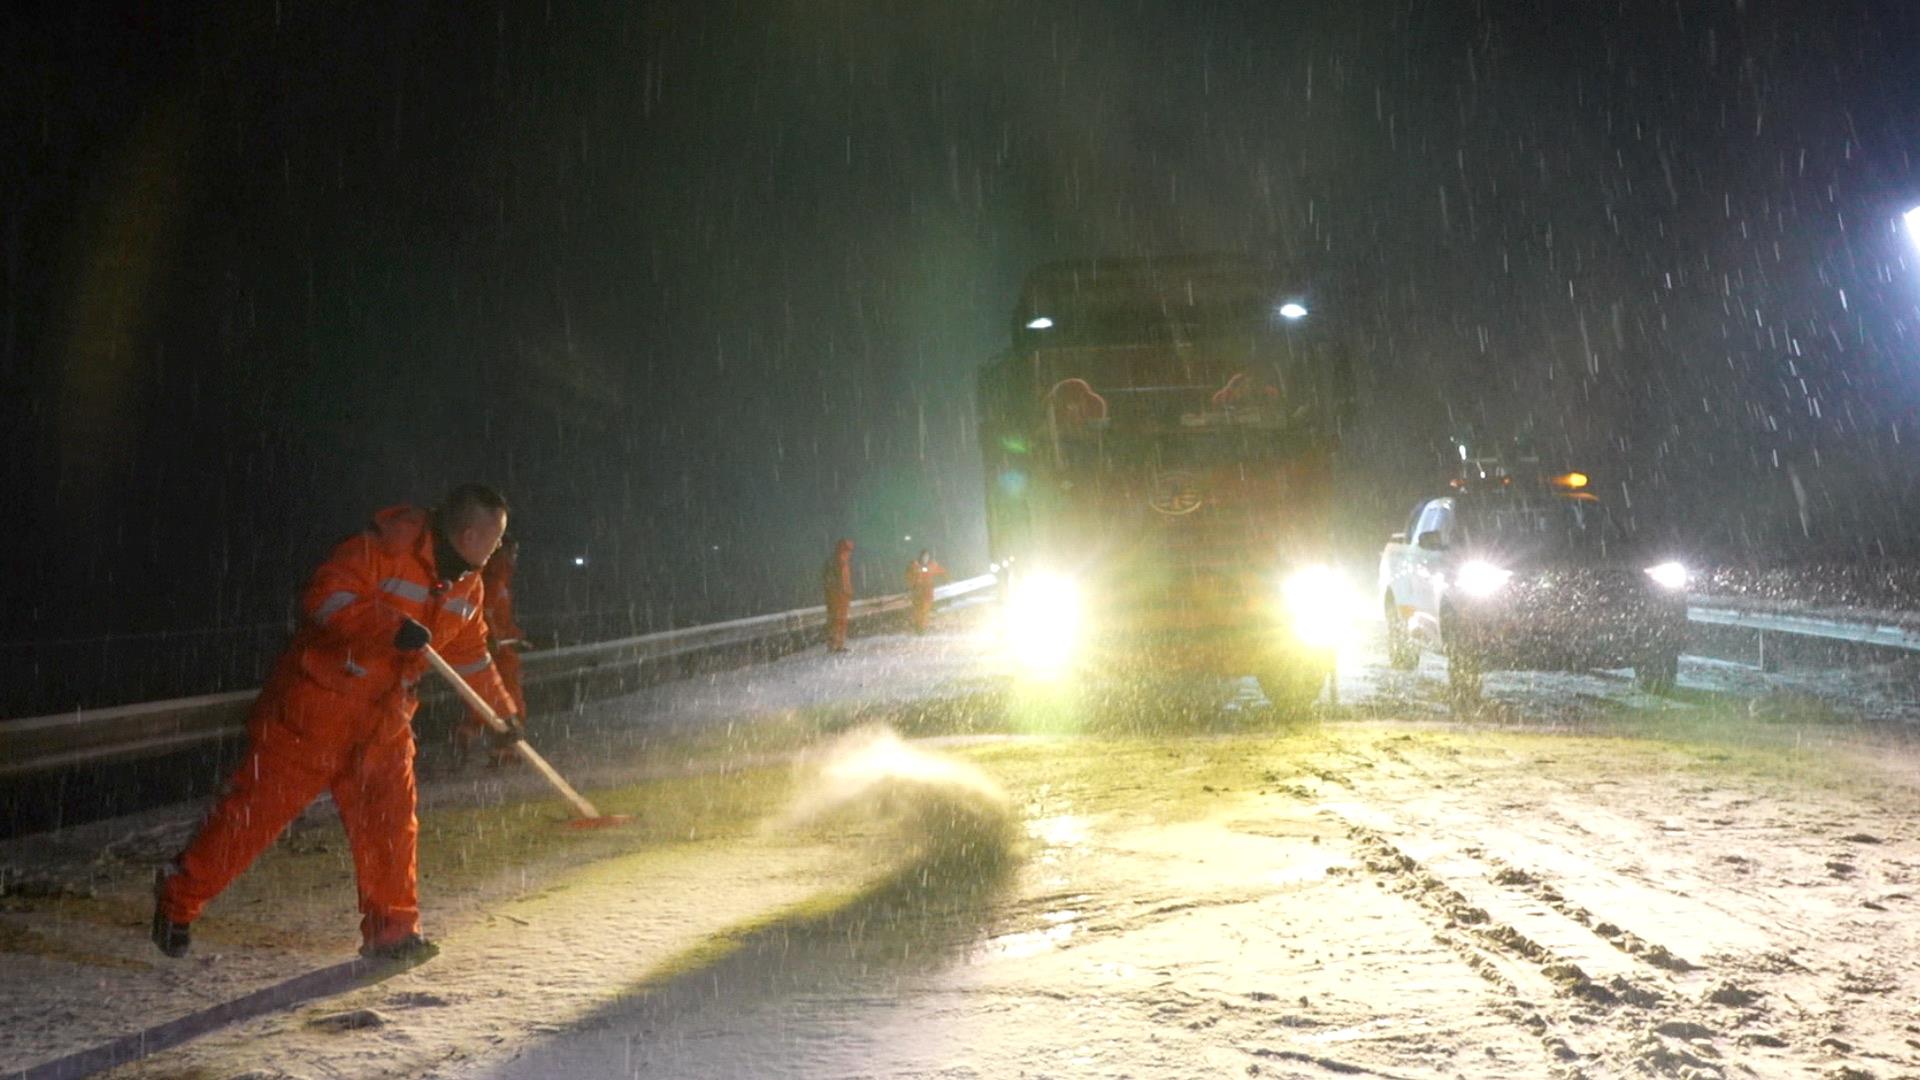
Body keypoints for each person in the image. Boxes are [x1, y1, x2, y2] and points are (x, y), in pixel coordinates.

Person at [152, 484, 518, 962]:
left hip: (384, 720)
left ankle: (393, 932)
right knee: (252, 818)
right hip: (316, 708)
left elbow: (471, 657)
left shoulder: (468, 586)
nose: (498, 550)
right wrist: (388, 627)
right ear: (470, 533)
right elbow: (324, 598)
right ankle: (178, 898)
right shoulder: (380, 548)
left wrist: (503, 714)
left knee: (390, 825)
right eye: (496, 538)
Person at [457, 536, 529, 765]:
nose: (514, 558)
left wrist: (516, 636)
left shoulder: (499, 581)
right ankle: (503, 748)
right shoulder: (493, 582)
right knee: (508, 700)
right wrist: (497, 639)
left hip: (501, 649)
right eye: (512, 552)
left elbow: (500, 617)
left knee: (489, 700)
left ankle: (472, 735)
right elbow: (487, 614)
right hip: (499, 654)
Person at [822, 538, 855, 652]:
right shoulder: (838, 562)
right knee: (837, 620)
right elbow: (838, 580)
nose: (849, 553)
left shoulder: (839, 562)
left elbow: (839, 580)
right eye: (848, 550)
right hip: (838, 597)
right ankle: (835, 645)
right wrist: (844, 591)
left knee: (838, 620)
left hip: (839, 597)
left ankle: (837, 644)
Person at [905, 548, 947, 634]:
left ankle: (921, 629)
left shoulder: (932, 566)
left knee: (924, 611)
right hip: (917, 593)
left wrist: (948, 579)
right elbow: (908, 576)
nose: (925, 558)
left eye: (927, 557)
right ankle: (918, 627)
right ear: (920, 557)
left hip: (927, 594)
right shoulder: (914, 566)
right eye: (924, 557)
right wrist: (911, 586)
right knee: (918, 611)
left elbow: (942, 572)